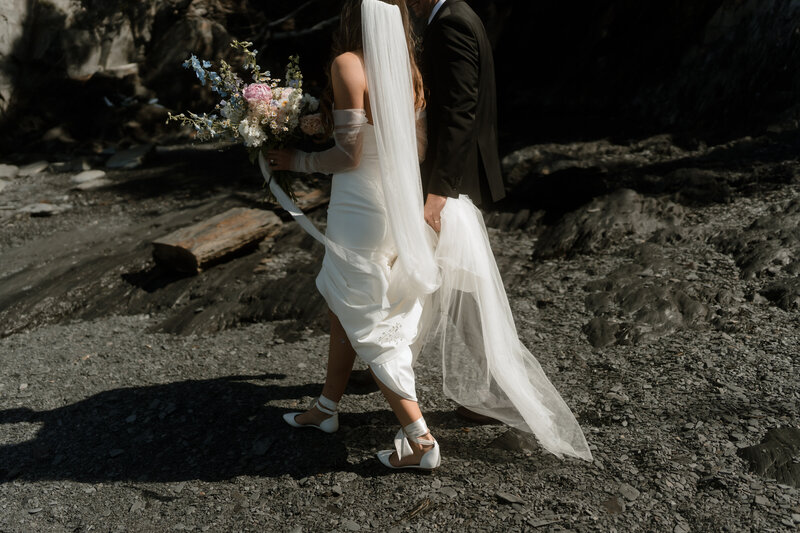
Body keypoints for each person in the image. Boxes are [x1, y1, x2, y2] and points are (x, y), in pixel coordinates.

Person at [268, 0, 593, 470]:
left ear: (351, 18)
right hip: (396, 202)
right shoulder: (408, 71)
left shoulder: (346, 64)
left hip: (359, 205)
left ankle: (419, 439)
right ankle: (326, 407)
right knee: (346, 297)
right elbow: (418, 146)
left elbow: (349, 156)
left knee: (368, 315)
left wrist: (295, 160)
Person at [407, 0, 506, 425]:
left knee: (462, 284)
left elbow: (460, 113)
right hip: (455, 177)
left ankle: (502, 390)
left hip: (453, 181)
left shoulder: (451, 24)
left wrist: (438, 191)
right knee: (454, 281)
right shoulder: (457, 15)